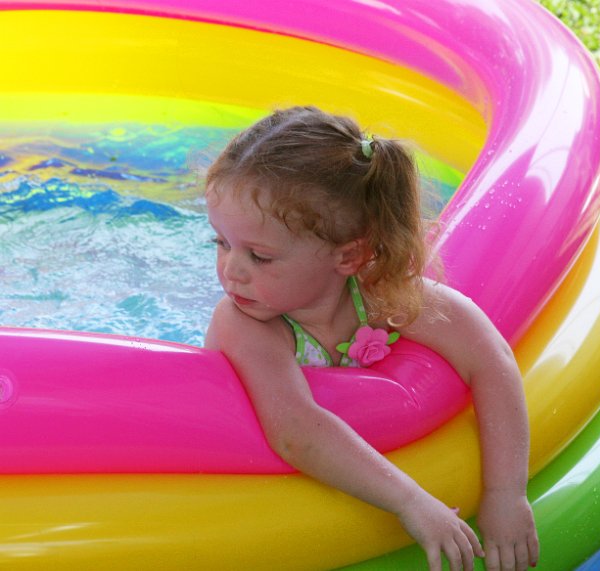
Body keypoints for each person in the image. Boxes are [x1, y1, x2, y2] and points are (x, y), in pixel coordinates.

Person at [204, 106, 539, 571]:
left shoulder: (380, 295)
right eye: (219, 242)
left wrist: (505, 494)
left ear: (348, 256)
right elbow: (296, 432)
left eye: (259, 256)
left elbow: (490, 357)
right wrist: (412, 501)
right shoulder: (244, 324)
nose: (230, 270)